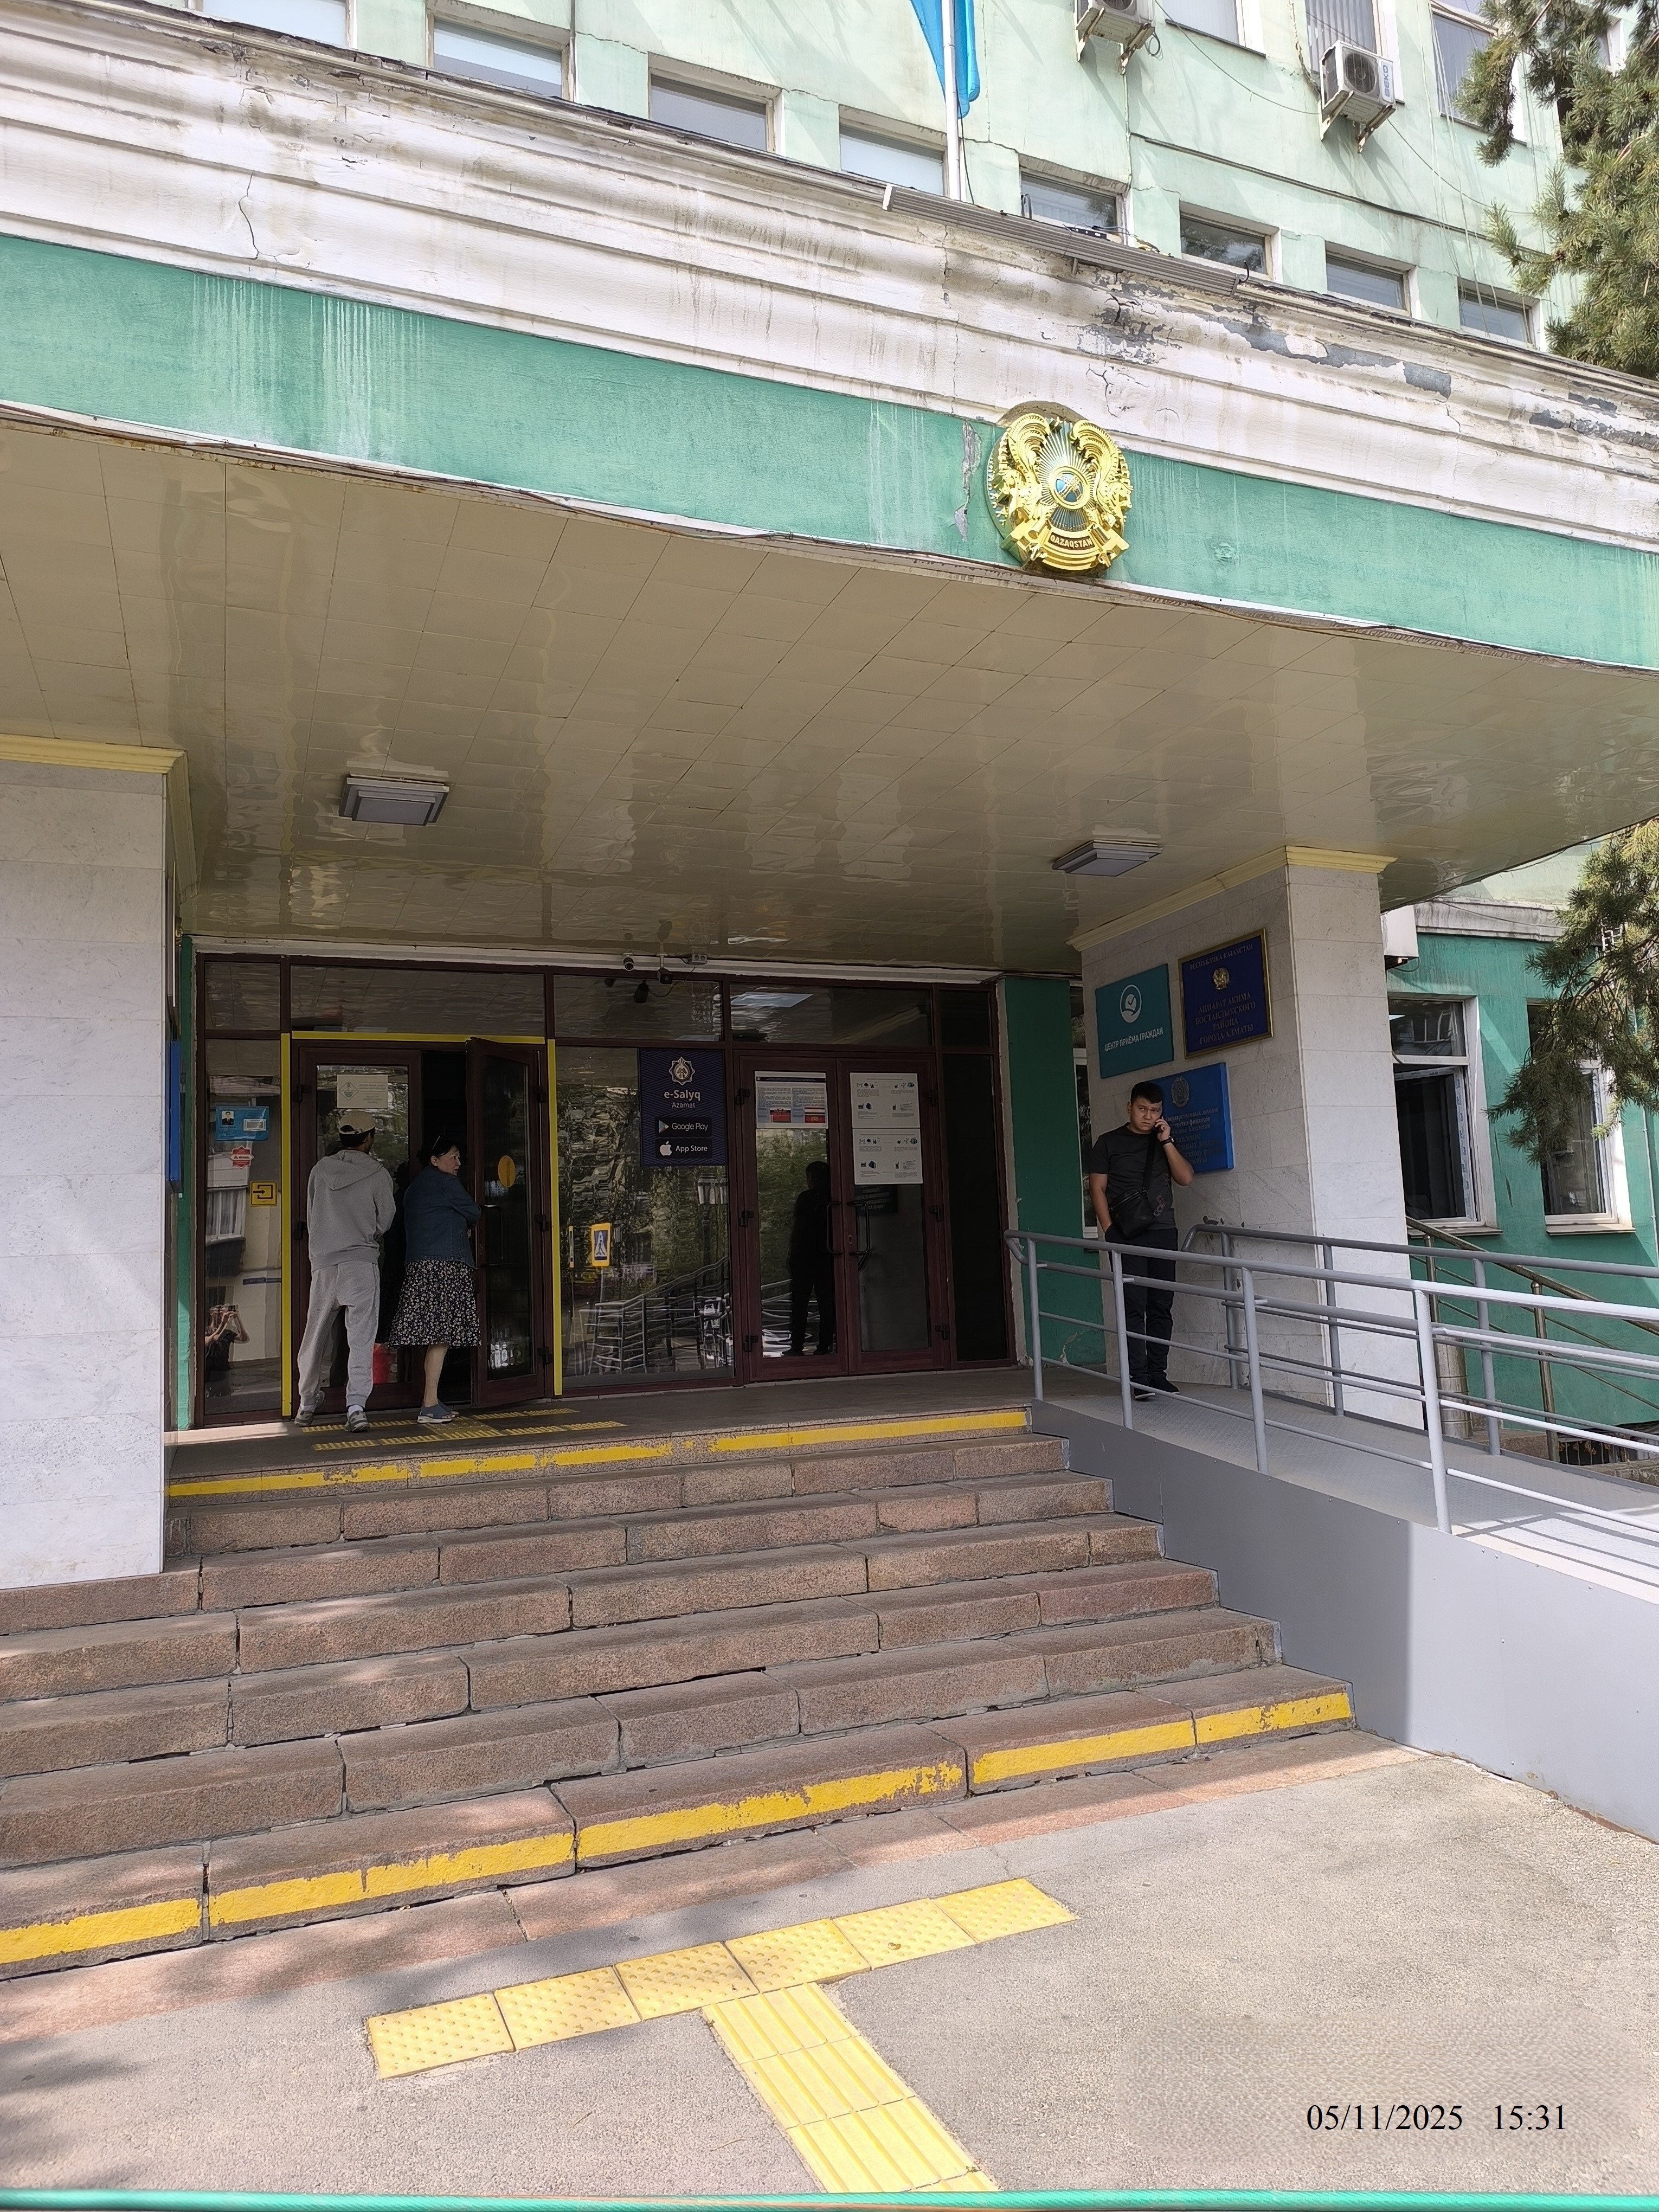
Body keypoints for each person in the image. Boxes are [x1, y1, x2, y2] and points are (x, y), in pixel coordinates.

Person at [1088, 1080, 1194, 1400]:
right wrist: (1109, 1232)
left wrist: (1167, 1141)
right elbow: (1097, 1189)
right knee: (1133, 1306)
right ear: (1130, 1108)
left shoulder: (1163, 1141)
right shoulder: (1108, 1143)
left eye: (1155, 1110)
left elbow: (1185, 1178)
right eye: (1142, 1109)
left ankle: (1158, 1375)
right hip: (1126, 1235)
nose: (1148, 1116)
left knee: (1161, 1305)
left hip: (1163, 1231)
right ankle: (1138, 1378)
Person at [295, 1115, 395, 1430]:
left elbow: (312, 1215)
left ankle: (306, 1402)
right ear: (369, 1139)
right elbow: (385, 1220)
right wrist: (364, 1234)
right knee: (361, 1338)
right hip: (360, 1263)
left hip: (325, 1264)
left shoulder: (319, 1171)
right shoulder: (378, 1174)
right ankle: (356, 1408)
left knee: (315, 1335)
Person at [387, 1130, 481, 1424]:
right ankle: (428, 1405)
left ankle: (432, 1399)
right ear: (435, 1160)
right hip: (445, 1267)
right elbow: (474, 1212)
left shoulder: (414, 1188)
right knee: (441, 1337)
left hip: (419, 1267)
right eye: (453, 1157)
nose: (458, 1162)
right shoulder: (446, 1183)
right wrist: (464, 1224)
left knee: (436, 1337)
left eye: (459, 1157)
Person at [787, 1157, 837, 1356]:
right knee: (827, 1303)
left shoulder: (806, 1198)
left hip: (805, 1257)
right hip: (829, 1257)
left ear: (812, 1178)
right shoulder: (835, 1196)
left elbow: (798, 1228)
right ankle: (825, 1345)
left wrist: (792, 1254)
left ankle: (796, 1346)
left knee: (800, 1303)